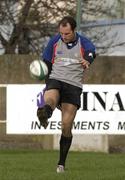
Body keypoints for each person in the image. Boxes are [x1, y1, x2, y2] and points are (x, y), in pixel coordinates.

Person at [37, 16, 96, 173]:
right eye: (61, 33)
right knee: (50, 99)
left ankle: (61, 164)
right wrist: (47, 82)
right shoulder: (55, 41)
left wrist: (88, 60)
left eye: (67, 33)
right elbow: (47, 63)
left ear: (74, 30)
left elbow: (91, 51)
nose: (63, 36)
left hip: (73, 85)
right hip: (56, 78)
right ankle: (45, 112)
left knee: (66, 126)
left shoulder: (83, 41)